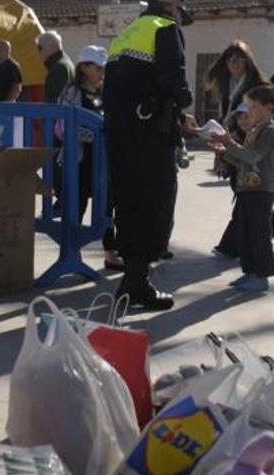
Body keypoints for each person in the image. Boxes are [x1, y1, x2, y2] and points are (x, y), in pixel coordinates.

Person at [104, 0, 193, 310]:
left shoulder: (125, 34)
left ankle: (132, 279)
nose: (181, 19)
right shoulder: (165, 29)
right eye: (181, 12)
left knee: (128, 202)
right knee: (155, 201)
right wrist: (185, 103)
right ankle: (138, 282)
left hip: (119, 134)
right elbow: (173, 79)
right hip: (151, 134)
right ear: (171, 7)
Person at [210, 85, 274, 292]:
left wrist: (229, 144)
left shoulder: (269, 130)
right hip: (247, 190)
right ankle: (250, 273)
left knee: (259, 235)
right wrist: (224, 151)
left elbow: (253, 157)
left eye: (253, 106)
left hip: (261, 191)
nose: (248, 111)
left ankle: (262, 277)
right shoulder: (255, 130)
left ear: (269, 108)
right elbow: (245, 161)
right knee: (245, 234)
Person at [56, 45, 123, 271]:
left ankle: (111, 253)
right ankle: (71, 253)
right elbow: (62, 127)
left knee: (107, 205)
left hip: (104, 160)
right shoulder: (71, 93)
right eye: (98, 67)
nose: (102, 72)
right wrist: (94, 133)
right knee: (78, 203)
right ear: (84, 67)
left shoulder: (107, 92)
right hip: (79, 160)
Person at [207, 40, 267, 129]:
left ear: (246, 62)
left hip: (249, 136)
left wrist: (238, 133)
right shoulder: (226, 84)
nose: (234, 65)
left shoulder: (257, 86)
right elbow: (226, 113)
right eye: (231, 61)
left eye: (239, 60)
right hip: (228, 135)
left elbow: (258, 117)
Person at [37, 31, 74, 104]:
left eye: (40, 48)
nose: (39, 52)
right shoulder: (67, 62)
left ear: (50, 46)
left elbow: (52, 102)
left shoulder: (58, 68)